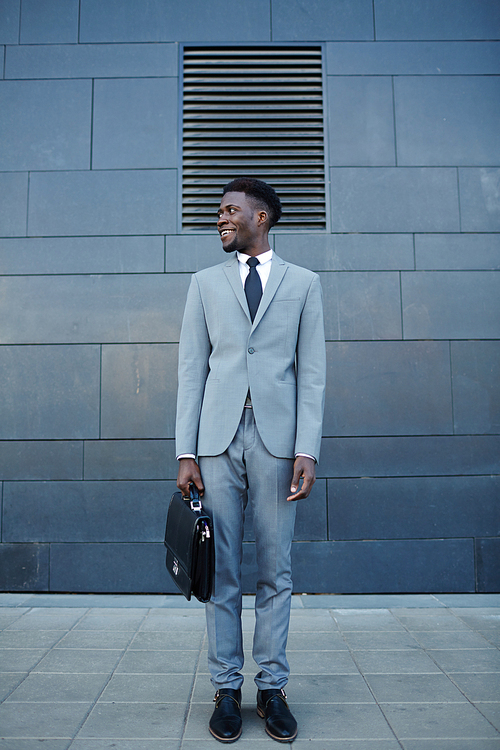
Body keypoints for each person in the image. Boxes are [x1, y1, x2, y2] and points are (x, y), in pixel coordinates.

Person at [176, 177, 326, 743]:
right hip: (215, 442)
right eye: (220, 211)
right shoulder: (204, 283)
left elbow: (311, 375)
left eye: (230, 210)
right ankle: (225, 690)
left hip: (278, 443)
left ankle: (271, 689)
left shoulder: (305, 284)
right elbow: (192, 369)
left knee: (276, 570)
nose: (222, 218)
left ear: (260, 218)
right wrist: (185, 450)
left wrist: (307, 448)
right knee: (221, 573)